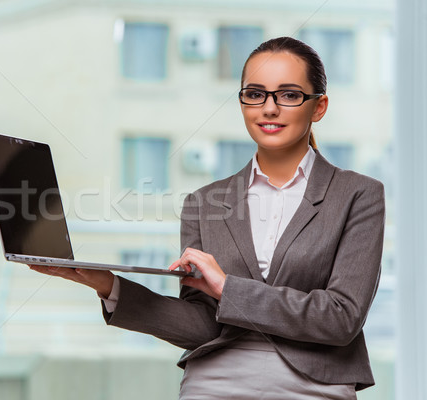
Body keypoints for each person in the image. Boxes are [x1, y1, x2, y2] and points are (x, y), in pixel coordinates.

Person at [29, 36, 385, 399]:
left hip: (314, 380)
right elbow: (202, 326)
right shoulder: (204, 203)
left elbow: (341, 317)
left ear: (318, 106)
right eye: (255, 93)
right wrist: (109, 286)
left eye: (289, 95)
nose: (269, 108)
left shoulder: (358, 195)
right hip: (215, 377)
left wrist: (227, 287)